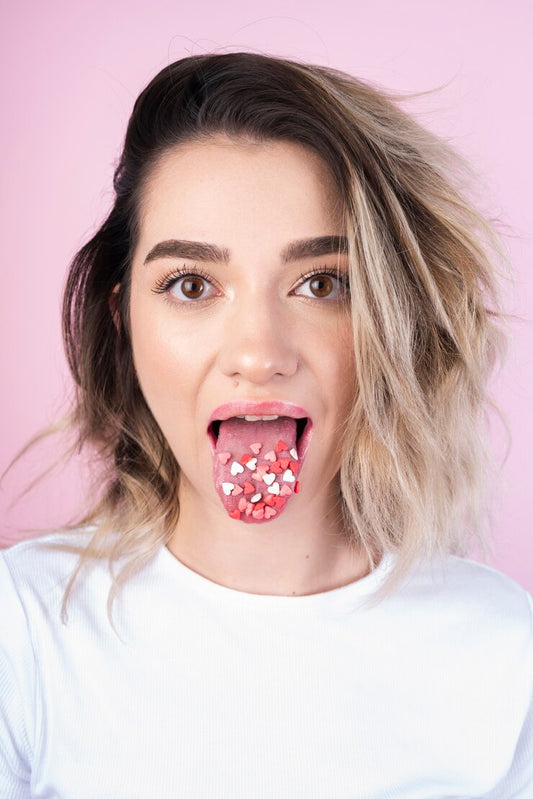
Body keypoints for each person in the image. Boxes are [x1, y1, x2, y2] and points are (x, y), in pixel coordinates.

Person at [0, 52, 531, 798]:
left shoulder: (506, 650)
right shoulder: (21, 634)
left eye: (321, 284)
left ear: (392, 316)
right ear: (122, 322)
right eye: (190, 285)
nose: (257, 354)